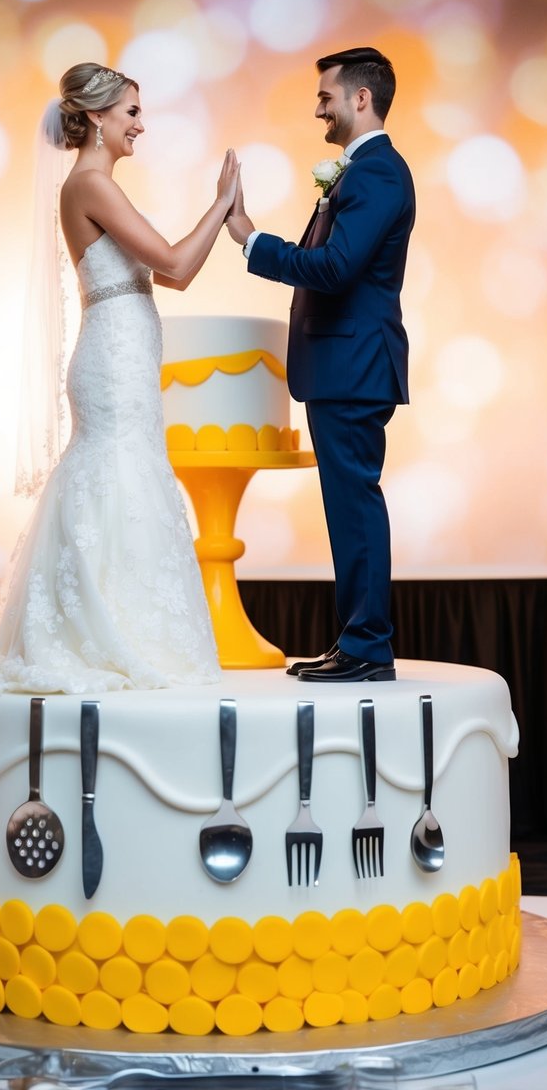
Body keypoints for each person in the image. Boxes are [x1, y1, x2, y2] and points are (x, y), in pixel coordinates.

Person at [0, 62, 240, 717]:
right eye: (131, 111)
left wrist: (216, 215)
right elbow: (178, 262)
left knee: (125, 474)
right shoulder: (92, 184)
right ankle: (103, 633)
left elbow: (175, 279)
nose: (140, 123)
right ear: (97, 118)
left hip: (123, 348)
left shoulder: (93, 186)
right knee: (116, 472)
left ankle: (119, 626)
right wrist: (222, 203)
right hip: (113, 356)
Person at [225, 46, 415, 684]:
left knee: (354, 505)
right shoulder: (360, 173)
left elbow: (334, 269)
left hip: (354, 365)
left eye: (326, 97)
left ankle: (368, 646)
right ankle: (356, 639)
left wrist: (252, 239)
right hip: (344, 366)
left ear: (361, 99)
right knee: (346, 506)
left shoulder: (378, 174)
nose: (318, 109)